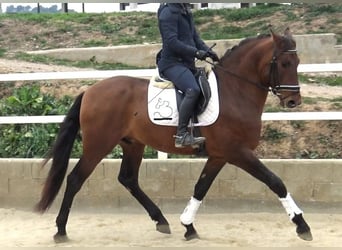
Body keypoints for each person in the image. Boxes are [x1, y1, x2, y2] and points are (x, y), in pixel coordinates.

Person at [157, 3, 219, 148]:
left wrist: (208, 52)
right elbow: (171, 42)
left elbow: (195, 38)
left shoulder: (185, 11)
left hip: (186, 63)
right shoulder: (168, 13)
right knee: (193, 89)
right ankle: (181, 135)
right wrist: (196, 52)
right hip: (172, 64)